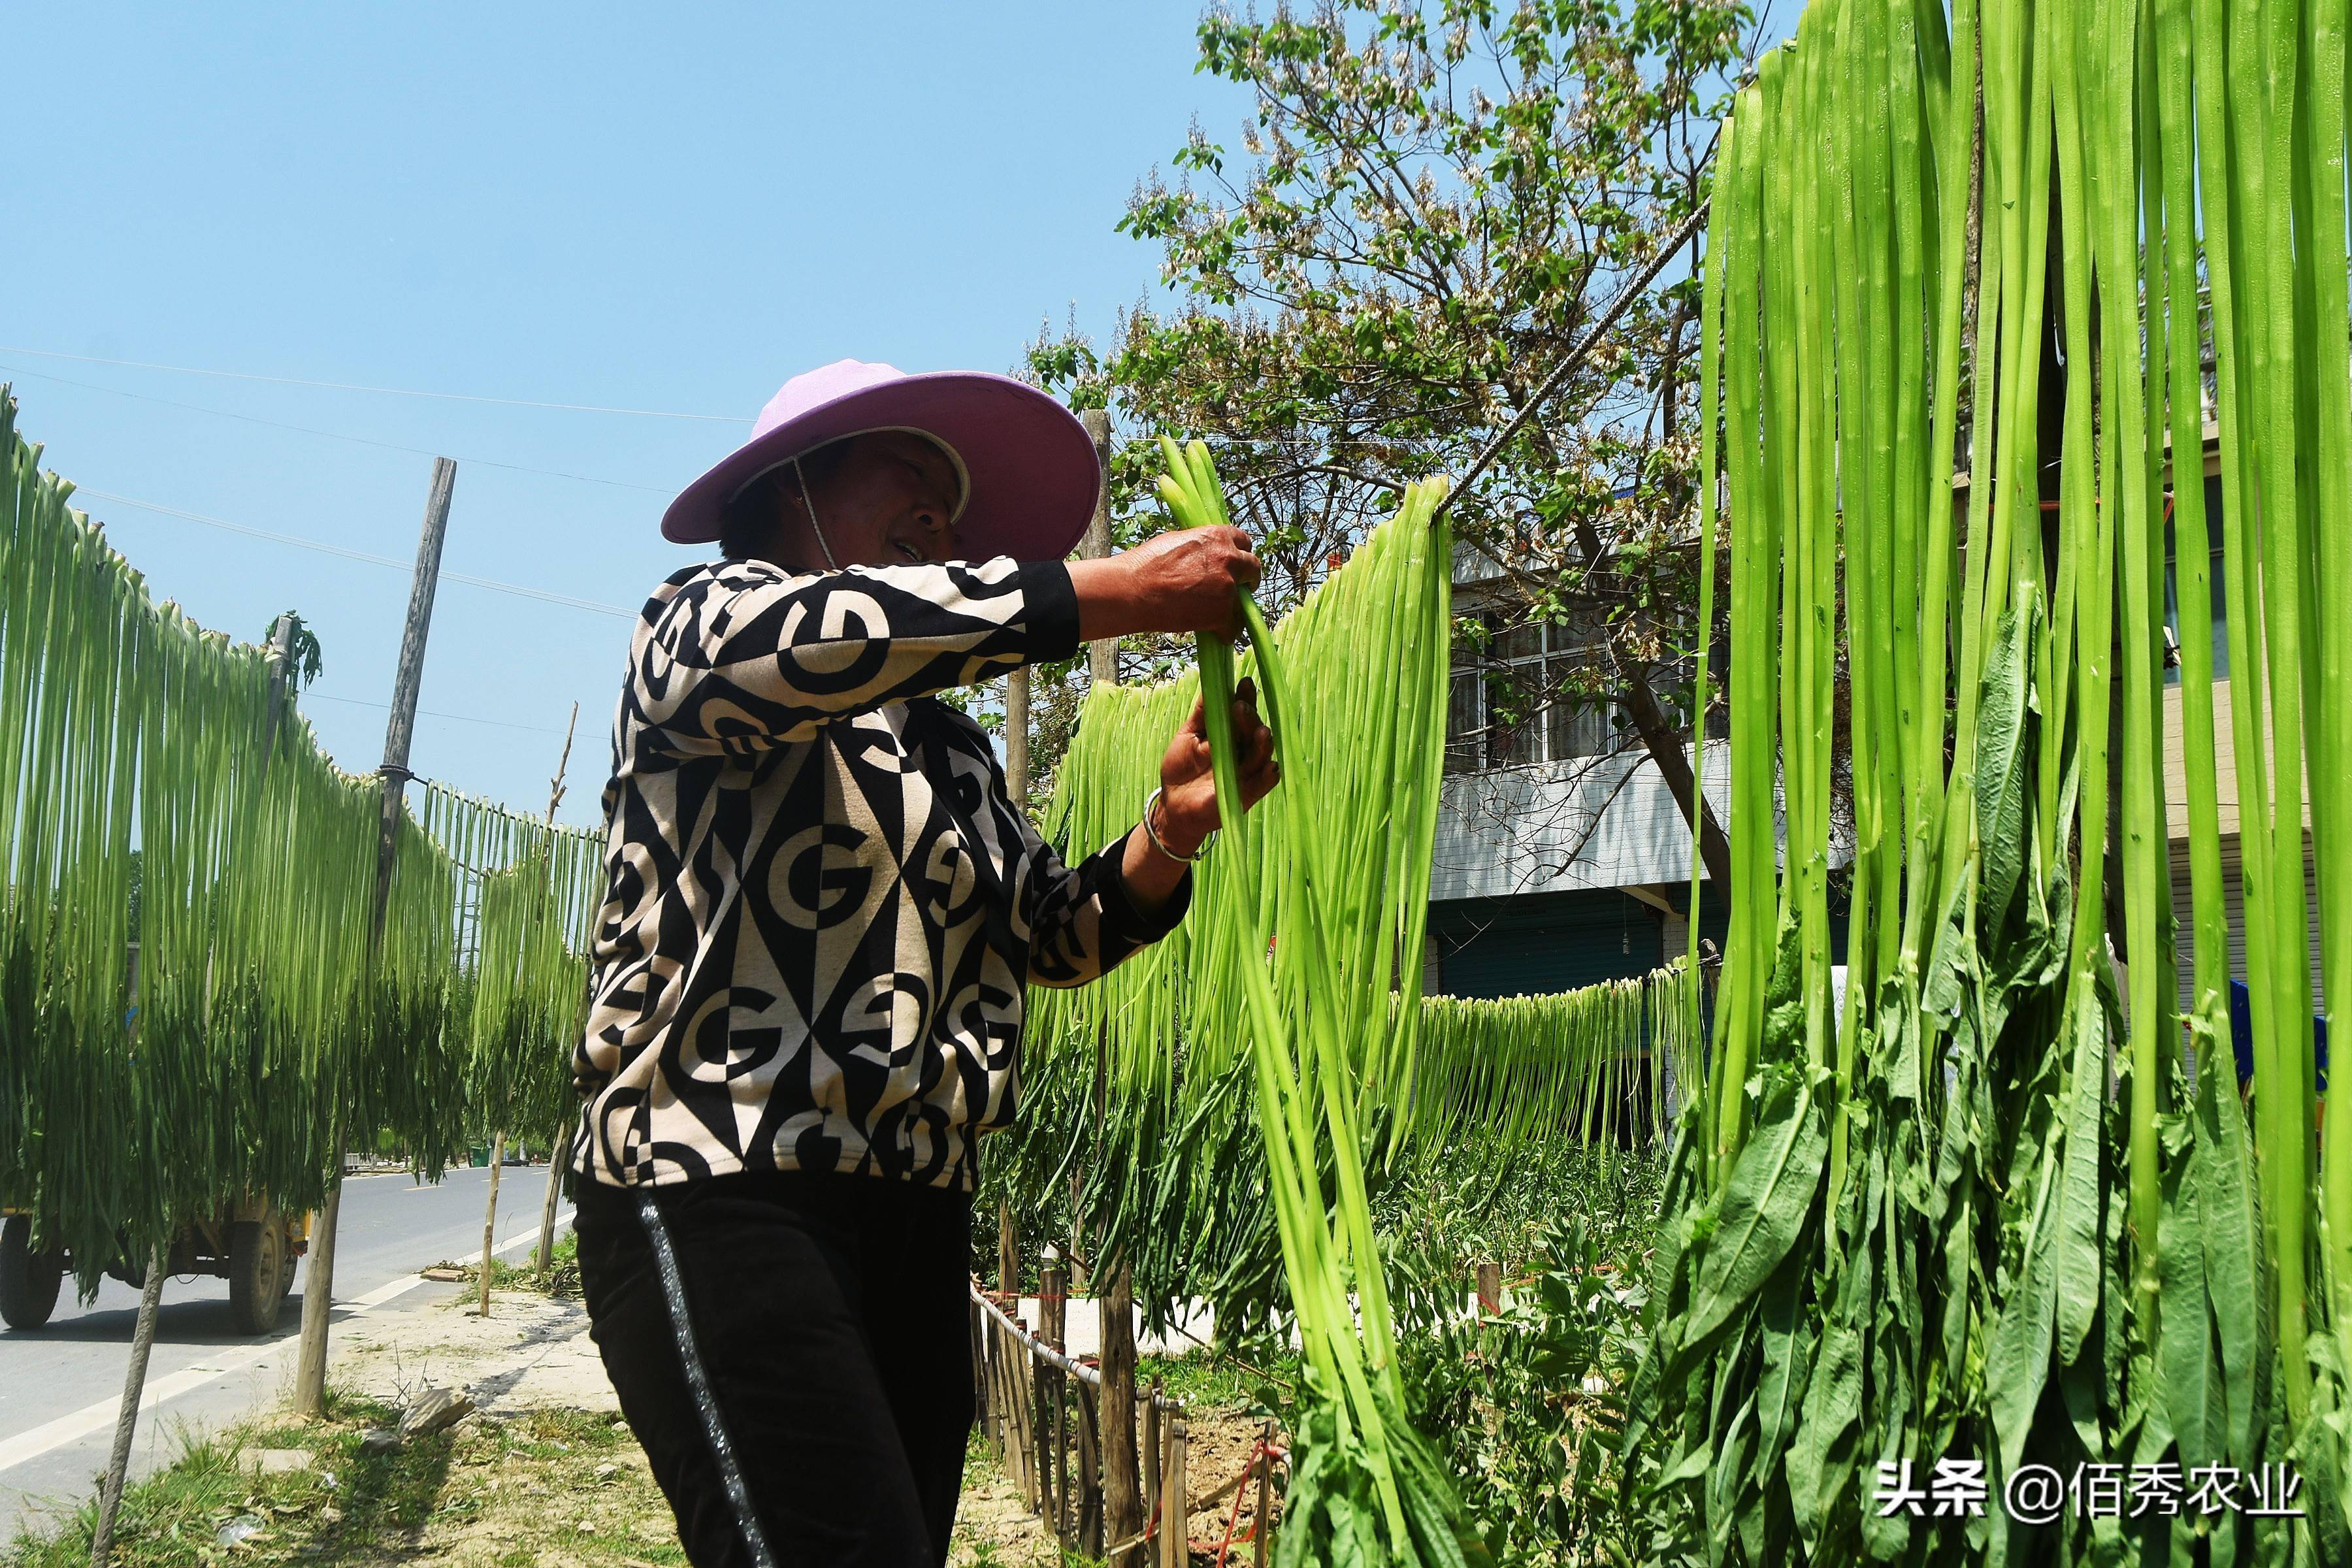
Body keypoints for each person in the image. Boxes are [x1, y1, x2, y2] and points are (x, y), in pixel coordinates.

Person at [568, 359, 1279, 1568]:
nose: (940, 515)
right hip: (720, 1178)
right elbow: (821, 639)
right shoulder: (699, 625)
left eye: (951, 501)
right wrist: (1121, 591)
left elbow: (1045, 932)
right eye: (908, 470)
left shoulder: (945, 750)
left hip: (911, 1203)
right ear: (793, 486)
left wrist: (1171, 833)